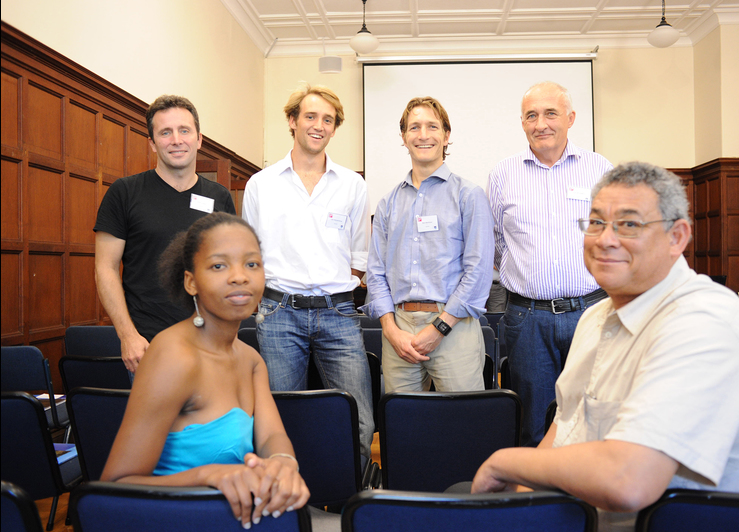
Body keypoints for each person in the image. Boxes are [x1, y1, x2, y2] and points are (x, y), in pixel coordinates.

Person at [472, 162, 739, 532]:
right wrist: (522, 505)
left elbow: (628, 481)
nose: (605, 239)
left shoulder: (705, 324)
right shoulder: (597, 317)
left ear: (677, 237)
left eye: (629, 224)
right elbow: (566, 429)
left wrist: (504, 462)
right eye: (596, 222)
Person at [101, 213, 310, 528]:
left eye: (252, 264)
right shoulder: (173, 356)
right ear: (191, 281)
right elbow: (115, 486)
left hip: (234, 520)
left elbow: (272, 436)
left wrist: (283, 463)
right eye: (219, 265)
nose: (240, 276)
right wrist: (208, 475)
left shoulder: (251, 359)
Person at [242, 84, 374, 459]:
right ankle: (293, 504)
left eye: (328, 120)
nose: (319, 126)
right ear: (292, 121)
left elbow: (358, 255)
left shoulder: (353, 184)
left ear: (335, 128)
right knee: (283, 417)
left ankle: (354, 499)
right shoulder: (261, 184)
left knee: (358, 415)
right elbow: (250, 255)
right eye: (311, 117)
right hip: (279, 313)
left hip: (339, 313)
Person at [487, 81, 613, 445]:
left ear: (570, 118)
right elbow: (498, 242)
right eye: (531, 115)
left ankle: (588, 497)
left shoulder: (599, 167)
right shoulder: (503, 174)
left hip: (592, 311)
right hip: (527, 318)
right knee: (532, 421)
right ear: (522, 123)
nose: (540, 123)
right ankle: (539, 498)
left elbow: (612, 232)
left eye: (550, 113)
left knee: (595, 413)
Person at [94, 95, 236, 375]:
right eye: (165, 132)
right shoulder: (125, 192)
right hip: (147, 345)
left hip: (210, 343)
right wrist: (127, 336)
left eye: (184, 130)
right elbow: (105, 268)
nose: (176, 140)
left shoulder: (219, 197)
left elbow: (229, 269)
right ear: (152, 142)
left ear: (199, 139)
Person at [363, 96, 494, 392]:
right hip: (398, 332)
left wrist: (441, 327)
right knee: (403, 427)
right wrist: (390, 330)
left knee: (463, 425)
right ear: (404, 138)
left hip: (454, 327)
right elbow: (376, 272)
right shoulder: (388, 203)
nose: (423, 135)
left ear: (446, 136)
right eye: (414, 127)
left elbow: (479, 270)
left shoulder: (468, 196)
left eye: (432, 126)